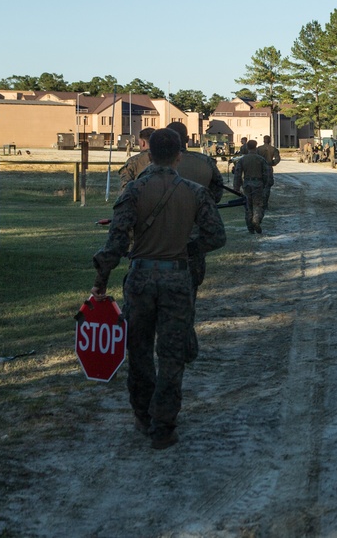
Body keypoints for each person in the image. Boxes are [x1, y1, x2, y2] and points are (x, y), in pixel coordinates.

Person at [91, 128, 226, 449]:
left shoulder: (133, 192)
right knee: (171, 355)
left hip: (139, 280)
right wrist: (185, 248)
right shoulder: (195, 193)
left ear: (148, 155)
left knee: (139, 351)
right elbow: (216, 237)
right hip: (177, 280)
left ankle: (142, 414)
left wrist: (100, 283)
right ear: (179, 155)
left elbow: (115, 244)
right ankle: (164, 425)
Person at [165, 122, 225, 299]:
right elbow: (217, 190)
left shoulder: (151, 163)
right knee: (189, 289)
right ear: (186, 139)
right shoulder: (203, 161)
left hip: (159, 237)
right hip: (192, 234)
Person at [233, 139, 273, 234]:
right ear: (256, 147)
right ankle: (256, 220)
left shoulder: (242, 159)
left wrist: (236, 188)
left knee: (248, 205)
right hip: (258, 184)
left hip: (247, 184)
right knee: (258, 204)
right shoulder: (261, 159)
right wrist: (267, 184)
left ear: (247, 147)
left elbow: (237, 174)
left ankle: (250, 226)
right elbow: (267, 173)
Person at [257, 135, 281, 210]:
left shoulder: (259, 149)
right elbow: (277, 159)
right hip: (268, 168)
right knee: (267, 186)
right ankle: (265, 204)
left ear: (263, 140)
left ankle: (259, 203)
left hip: (260, 169)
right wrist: (272, 163)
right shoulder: (274, 149)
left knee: (259, 186)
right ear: (270, 140)